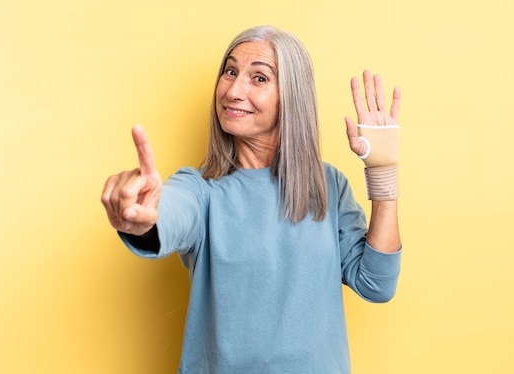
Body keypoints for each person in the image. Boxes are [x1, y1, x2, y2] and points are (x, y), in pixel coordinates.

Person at [101, 25, 402, 373]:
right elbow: (170, 213)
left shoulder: (328, 185)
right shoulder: (201, 190)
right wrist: (143, 218)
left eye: (259, 78)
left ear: (292, 96)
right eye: (230, 71)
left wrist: (382, 172)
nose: (233, 90)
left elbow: (376, 284)